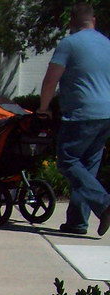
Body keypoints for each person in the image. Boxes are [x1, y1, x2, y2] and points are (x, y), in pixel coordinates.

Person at [39, 3, 110, 236]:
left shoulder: (69, 44)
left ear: (70, 23)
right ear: (94, 21)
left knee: (67, 161)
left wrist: (44, 108)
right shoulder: (107, 44)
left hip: (81, 114)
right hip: (106, 115)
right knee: (87, 169)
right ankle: (77, 222)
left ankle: (104, 204)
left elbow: (51, 79)